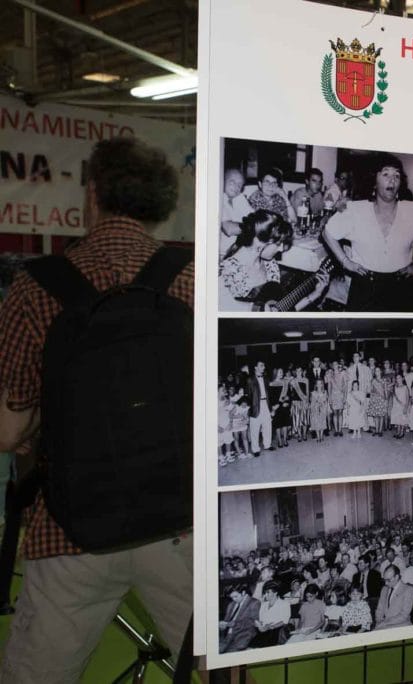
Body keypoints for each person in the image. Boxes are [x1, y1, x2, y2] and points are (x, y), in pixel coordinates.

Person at [0, 137, 196, 682]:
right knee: (221, 665)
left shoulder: (36, 286)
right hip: (180, 519)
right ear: (160, 201)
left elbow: (8, 429)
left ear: (92, 194)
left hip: (71, 528)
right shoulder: (193, 277)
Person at [323, 154, 413, 311]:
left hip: (400, 289)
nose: (392, 180)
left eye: (396, 175)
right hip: (364, 288)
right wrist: (345, 262)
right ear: (374, 181)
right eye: (386, 174)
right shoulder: (356, 210)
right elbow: (328, 232)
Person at [219, 209, 294, 307]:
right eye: (278, 244)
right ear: (259, 242)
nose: (281, 249)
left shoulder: (270, 263)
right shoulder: (230, 271)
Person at [220, 168, 254, 258]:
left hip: (240, 252)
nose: (236, 187)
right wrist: (255, 227)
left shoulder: (239, 198)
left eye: (239, 185)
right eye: (232, 182)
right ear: (222, 181)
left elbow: (254, 217)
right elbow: (229, 229)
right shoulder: (217, 198)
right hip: (221, 255)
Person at [220, 584, 261, 653]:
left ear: (243, 592)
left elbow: (252, 623)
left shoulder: (255, 603)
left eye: (236, 596)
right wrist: (222, 625)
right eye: (232, 597)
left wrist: (230, 624)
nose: (234, 599)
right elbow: (226, 621)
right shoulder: (231, 604)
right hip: (227, 636)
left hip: (243, 636)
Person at [376, 565, 413, 629]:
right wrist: (379, 621)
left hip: (401, 624)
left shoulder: (408, 589)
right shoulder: (384, 589)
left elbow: (404, 615)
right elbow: (380, 609)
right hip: (384, 624)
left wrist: (385, 623)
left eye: (388, 580)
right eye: (384, 580)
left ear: (396, 577)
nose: (386, 583)